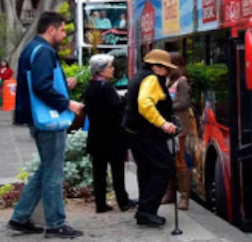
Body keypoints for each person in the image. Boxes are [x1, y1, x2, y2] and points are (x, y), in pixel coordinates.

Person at [9, 12, 85, 239]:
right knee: (53, 172)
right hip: (48, 120)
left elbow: (38, 83)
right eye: (62, 30)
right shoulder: (44, 51)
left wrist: (63, 85)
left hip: (36, 116)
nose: (64, 34)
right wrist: (68, 103)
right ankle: (55, 223)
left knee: (46, 168)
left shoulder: (32, 48)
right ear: (51, 30)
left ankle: (20, 217)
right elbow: (41, 86)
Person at [122, 49, 179, 227]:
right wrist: (163, 123)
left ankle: (144, 210)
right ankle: (147, 210)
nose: (167, 72)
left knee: (146, 169)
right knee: (164, 167)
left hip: (134, 131)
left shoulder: (139, 76)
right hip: (147, 133)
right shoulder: (152, 79)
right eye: (165, 68)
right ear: (156, 67)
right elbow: (145, 103)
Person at [83, 54, 137, 213]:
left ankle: (100, 203)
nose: (113, 69)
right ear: (100, 70)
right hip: (112, 136)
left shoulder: (90, 86)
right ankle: (123, 201)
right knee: (117, 171)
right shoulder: (105, 87)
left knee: (99, 172)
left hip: (96, 135)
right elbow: (115, 107)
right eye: (110, 67)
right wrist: (126, 98)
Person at [163, 52, 193, 211]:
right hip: (169, 127)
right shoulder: (170, 81)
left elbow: (184, 103)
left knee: (180, 161)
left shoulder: (182, 82)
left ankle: (184, 197)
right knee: (170, 160)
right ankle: (170, 192)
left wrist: (166, 105)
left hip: (179, 128)